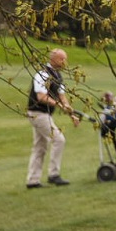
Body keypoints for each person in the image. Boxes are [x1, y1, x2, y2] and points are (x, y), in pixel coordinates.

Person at [26, 47, 79, 188]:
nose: (64, 62)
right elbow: (41, 97)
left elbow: (62, 97)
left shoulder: (58, 76)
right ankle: (53, 175)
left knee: (40, 147)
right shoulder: (42, 75)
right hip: (37, 113)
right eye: (62, 59)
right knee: (59, 139)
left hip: (44, 114)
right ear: (53, 59)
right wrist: (60, 106)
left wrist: (71, 113)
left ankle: (33, 181)